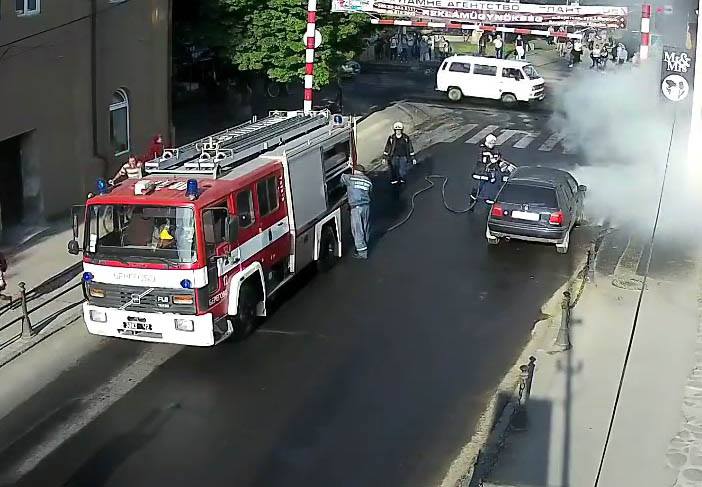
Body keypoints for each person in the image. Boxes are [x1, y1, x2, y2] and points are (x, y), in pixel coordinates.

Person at [341, 165, 372, 259]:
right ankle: (365, 245)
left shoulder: (351, 179)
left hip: (356, 208)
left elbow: (342, 177)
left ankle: (362, 253)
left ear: (355, 171)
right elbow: (369, 192)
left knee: (358, 230)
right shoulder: (368, 181)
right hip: (366, 206)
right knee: (365, 227)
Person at [470, 134, 502, 206]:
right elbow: (484, 160)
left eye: (494, 143)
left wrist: (501, 164)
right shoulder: (483, 150)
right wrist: (493, 160)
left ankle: (489, 198)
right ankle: (473, 198)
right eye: (491, 143)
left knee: (491, 185)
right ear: (487, 142)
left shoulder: (495, 150)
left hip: (491, 172)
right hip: (481, 172)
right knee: (479, 186)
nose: (492, 144)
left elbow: (499, 158)